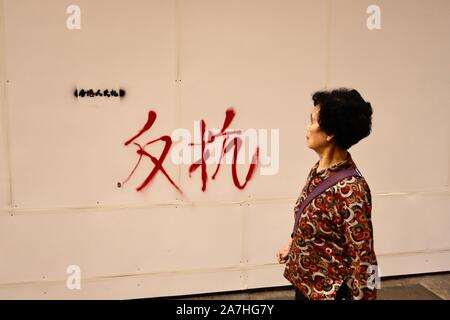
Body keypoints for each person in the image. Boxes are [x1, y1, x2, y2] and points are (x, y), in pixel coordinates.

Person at [277, 88, 378, 300]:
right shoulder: (319, 170)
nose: (307, 127)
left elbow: (365, 258)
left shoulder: (351, 189)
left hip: (330, 294)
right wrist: (293, 243)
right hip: (306, 285)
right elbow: (313, 218)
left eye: (312, 121)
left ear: (330, 133)